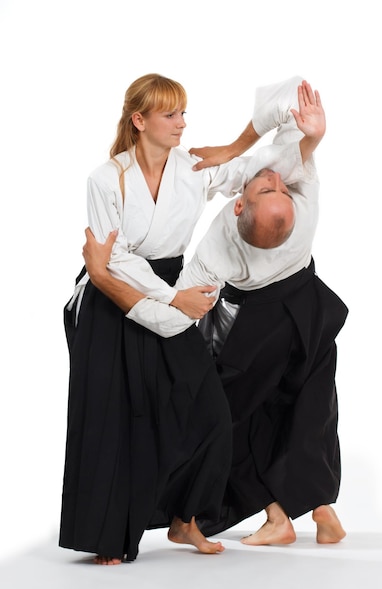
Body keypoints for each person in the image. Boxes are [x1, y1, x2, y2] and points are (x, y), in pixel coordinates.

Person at [81, 77, 348, 546]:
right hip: (128, 295)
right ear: (139, 121)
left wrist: (257, 145)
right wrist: (308, 138)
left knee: (230, 408)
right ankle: (310, 507)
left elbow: (263, 166)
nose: (183, 124)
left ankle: (216, 518)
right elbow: (114, 260)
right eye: (172, 114)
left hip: (214, 301)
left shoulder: (205, 201)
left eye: (183, 113)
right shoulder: (109, 179)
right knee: (308, 406)